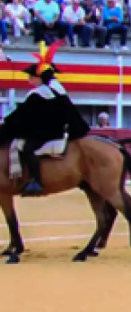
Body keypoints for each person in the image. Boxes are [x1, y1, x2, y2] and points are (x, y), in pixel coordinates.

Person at [0, 41, 91, 196]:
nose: (29, 79)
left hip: (46, 133)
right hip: (56, 131)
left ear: (39, 78)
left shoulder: (39, 94)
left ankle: (35, 181)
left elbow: (21, 115)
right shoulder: (56, 91)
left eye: (31, 76)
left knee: (28, 148)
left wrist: (5, 124)